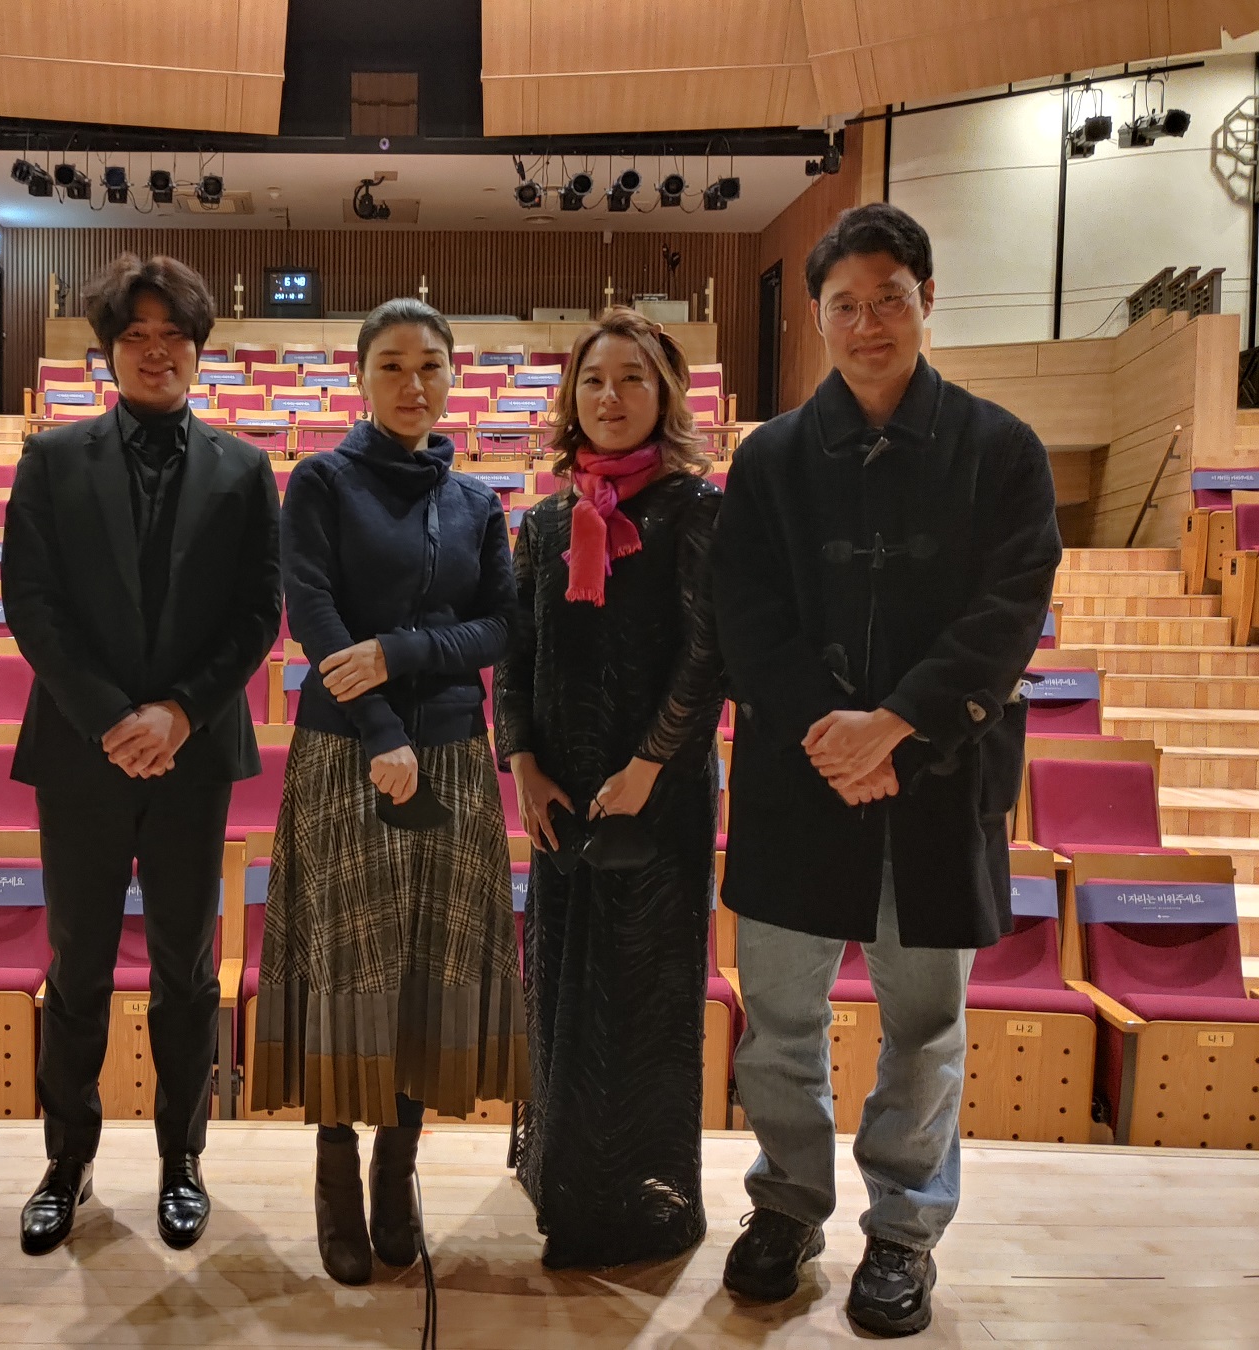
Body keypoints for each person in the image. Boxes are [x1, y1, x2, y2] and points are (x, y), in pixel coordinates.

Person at [711, 203, 1062, 1336]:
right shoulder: (769, 458)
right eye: (845, 306)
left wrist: (898, 724)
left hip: (936, 777)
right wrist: (834, 729)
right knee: (780, 1021)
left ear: (927, 301)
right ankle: (787, 1204)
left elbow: (1010, 609)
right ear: (817, 319)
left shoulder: (1001, 449)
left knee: (925, 1025)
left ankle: (905, 1228)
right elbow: (743, 612)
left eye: (889, 300)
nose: (868, 324)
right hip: (800, 772)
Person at [2, 254, 280, 1256]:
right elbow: (31, 604)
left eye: (173, 337)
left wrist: (178, 715)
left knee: (186, 971)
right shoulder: (51, 459)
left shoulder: (244, 469)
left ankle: (182, 1158)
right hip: (82, 754)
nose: (155, 352)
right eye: (136, 337)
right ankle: (66, 1163)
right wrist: (114, 719)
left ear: (199, 352)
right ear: (107, 353)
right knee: (77, 966)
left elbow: (257, 613)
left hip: (191, 756)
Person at [249, 298, 524, 1286]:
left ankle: (396, 1174)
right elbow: (313, 609)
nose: (414, 383)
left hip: (451, 751)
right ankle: (335, 1179)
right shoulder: (322, 481)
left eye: (431, 365)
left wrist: (404, 653)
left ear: (453, 377)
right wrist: (381, 728)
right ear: (361, 376)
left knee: (420, 964)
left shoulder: (477, 502)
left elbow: (501, 626)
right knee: (348, 959)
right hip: (347, 752)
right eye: (394, 365)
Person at [493, 306, 723, 1270]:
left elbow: (706, 655)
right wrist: (524, 764)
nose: (611, 396)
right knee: (561, 979)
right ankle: (563, 1175)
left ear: (664, 394)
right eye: (593, 379)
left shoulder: (695, 508)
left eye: (632, 378)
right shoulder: (546, 522)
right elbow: (516, 654)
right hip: (561, 793)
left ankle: (638, 1198)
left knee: (643, 992)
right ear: (570, 398)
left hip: (658, 795)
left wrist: (648, 767)